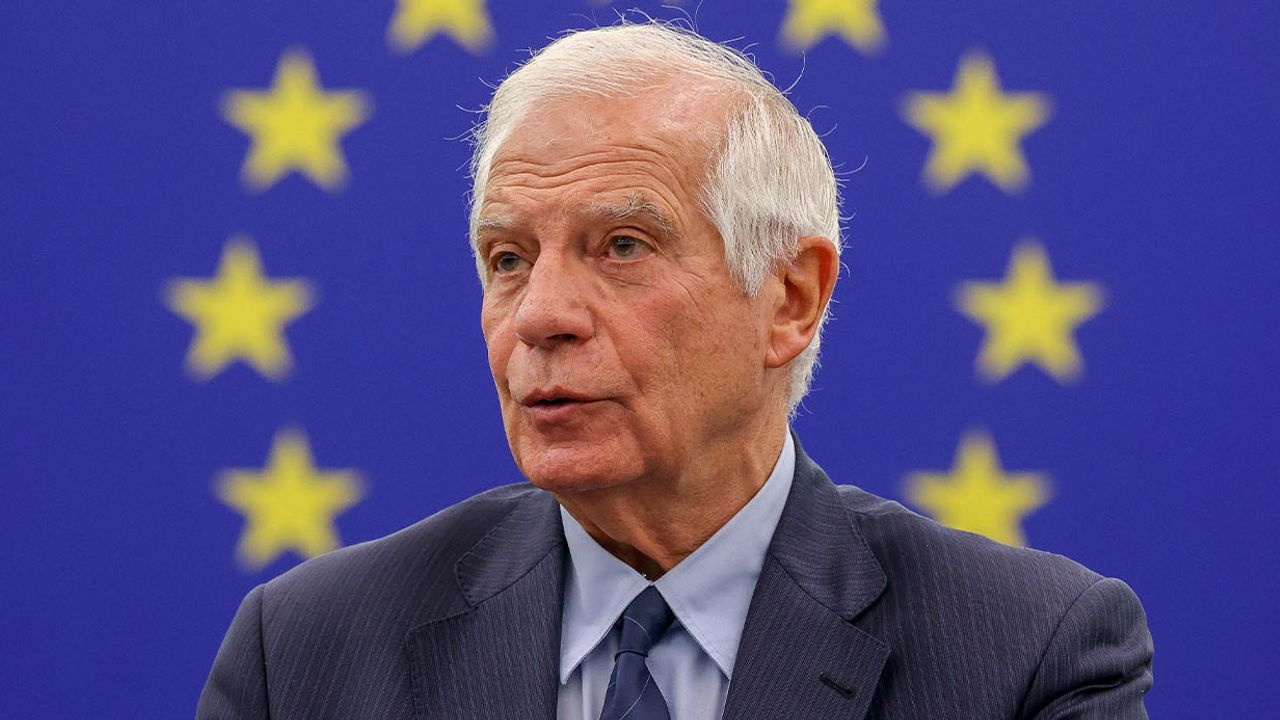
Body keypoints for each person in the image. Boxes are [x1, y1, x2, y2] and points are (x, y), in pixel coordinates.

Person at [197, 22, 1153, 720]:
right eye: (508, 259)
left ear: (790, 299)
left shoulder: (1027, 655)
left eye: (622, 245)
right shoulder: (308, 652)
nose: (540, 316)